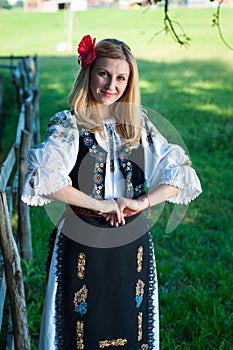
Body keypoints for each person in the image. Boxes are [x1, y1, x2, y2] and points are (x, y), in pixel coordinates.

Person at [22, 35, 202, 350]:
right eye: (104, 73)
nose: (111, 85)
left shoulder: (138, 125)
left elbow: (181, 174)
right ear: (89, 72)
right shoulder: (69, 125)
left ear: (130, 82)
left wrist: (141, 201)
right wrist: (99, 204)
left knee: (129, 323)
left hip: (132, 241)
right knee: (81, 328)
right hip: (82, 240)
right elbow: (45, 179)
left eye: (121, 77)